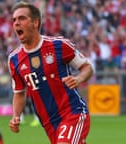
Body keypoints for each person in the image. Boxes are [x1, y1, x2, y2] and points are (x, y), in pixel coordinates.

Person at [8, 1, 93, 144]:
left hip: (73, 112)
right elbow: (19, 93)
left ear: (35, 23)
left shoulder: (58, 45)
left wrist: (78, 79)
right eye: (14, 20)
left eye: (22, 18)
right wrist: (16, 116)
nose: (16, 23)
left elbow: (87, 67)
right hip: (49, 124)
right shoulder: (14, 59)